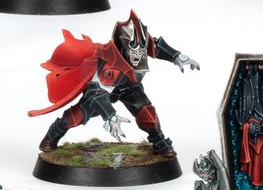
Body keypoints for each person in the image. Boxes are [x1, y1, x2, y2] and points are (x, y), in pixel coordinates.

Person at [30, 12, 199, 156]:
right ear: (123, 44)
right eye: (133, 48)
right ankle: (53, 134)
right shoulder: (110, 63)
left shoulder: (144, 46)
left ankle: (160, 142)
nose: (138, 54)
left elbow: (156, 46)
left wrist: (177, 57)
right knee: (77, 116)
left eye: (141, 48)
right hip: (104, 92)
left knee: (147, 113)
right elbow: (95, 93)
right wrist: (110, 116)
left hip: (130, 87)